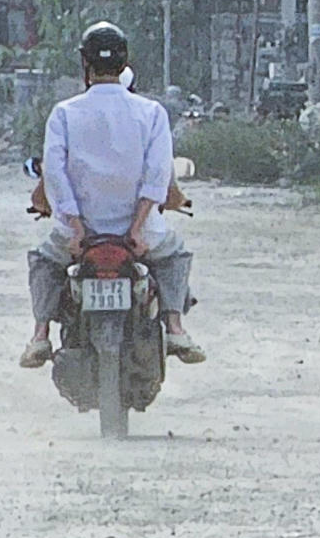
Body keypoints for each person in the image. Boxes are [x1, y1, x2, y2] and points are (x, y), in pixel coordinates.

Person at [20, 20, 204, 369]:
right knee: (175, 255)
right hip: (140, 235)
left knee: (44, 260)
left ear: (85, 64)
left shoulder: (64, 114)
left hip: (79, 236)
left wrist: (75, 228)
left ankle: (40, 335)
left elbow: (54, 175)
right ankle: (176, 327)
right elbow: (157, 175)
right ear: (124, 64)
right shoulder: (151, 113)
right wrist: (136, 229)